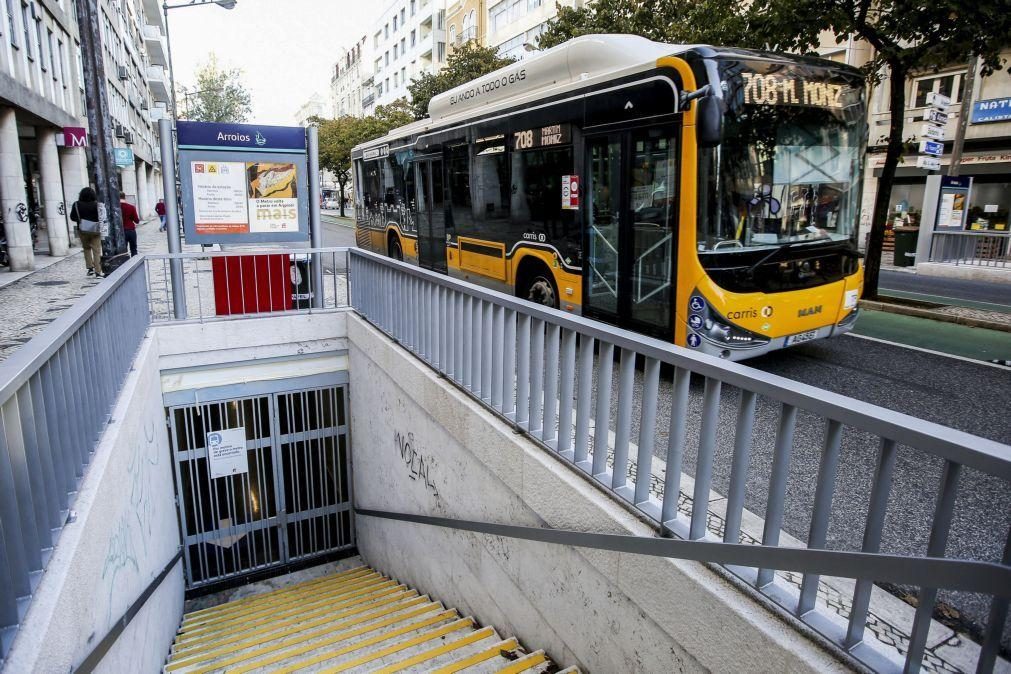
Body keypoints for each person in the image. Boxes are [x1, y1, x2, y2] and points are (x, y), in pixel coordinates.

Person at [69, 187, 104, 277]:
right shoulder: (97, 205)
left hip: (82, 230)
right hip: (95, 230)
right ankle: (98, 271)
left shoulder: (76, 204)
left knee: (86, 249)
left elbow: (73, 217)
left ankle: (90, 268)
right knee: (97, 250)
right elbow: (102, 217)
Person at [120, 191, 140, 257]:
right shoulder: (131, 207)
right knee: (134, 249)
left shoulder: (115, 208)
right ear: (124, 197)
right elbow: (137, 221)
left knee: (122, 252)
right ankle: (135, 265)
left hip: (121, 232)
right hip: (131, 230)